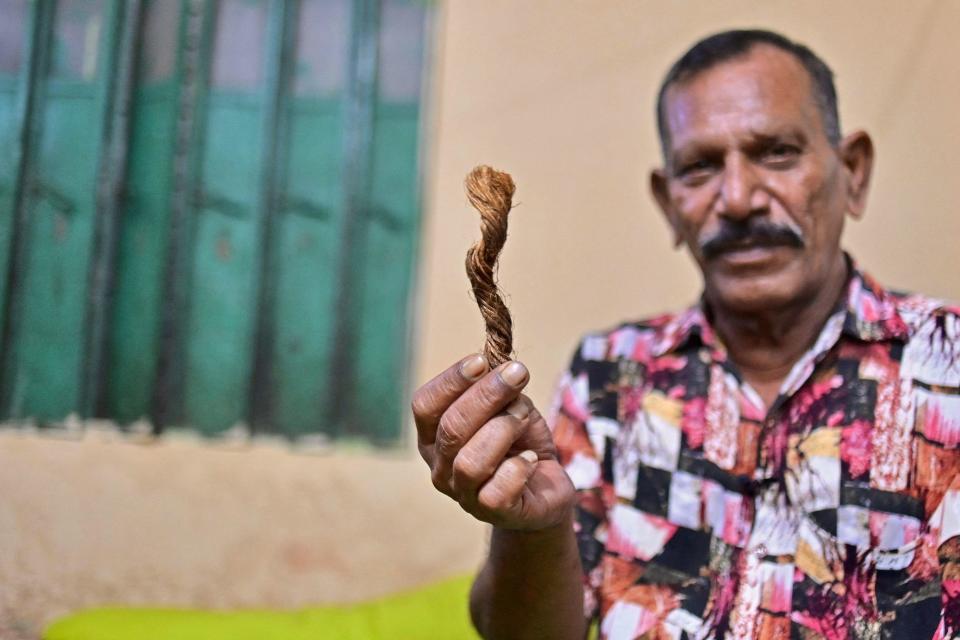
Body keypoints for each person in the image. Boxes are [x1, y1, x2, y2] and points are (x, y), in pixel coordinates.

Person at [412, 29, 960, 639]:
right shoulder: (611, 377)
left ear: (852, 172)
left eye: (776, 152)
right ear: (668, 202)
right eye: (699, 167)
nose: (738, 199)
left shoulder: (950, 367)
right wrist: (532, 530)